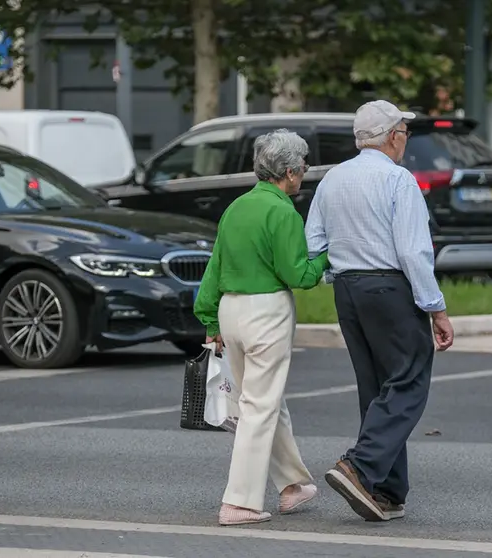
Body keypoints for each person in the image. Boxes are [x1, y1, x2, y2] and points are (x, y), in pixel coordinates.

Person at [304, 100, 455, 522]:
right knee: (408, 380)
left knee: (376, 388)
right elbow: (413, 250)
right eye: (404, 131)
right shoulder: (398, 179)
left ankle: (387, 490)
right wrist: (436, 309)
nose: (405, 138)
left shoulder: (333, 179)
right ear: (392, 136)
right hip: (389, 286)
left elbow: (314, 242)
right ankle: (360, 466)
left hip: (348, 290)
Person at [193, 128, 330, 526]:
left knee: (263, 402)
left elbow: (213, 269)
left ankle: (293, 485)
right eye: (302, 167)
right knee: (259, 407)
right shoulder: (283, 211)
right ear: (288, 172)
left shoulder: (236, 208)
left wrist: (208, 318)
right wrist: (327, 257)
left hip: (229, 313)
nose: (304, 173)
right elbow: (299, 275)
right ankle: (239, 502)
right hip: (266, 312)